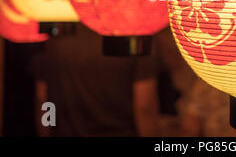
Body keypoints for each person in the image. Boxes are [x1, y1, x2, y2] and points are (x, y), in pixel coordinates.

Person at [31, 23, 160, 137]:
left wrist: (46, 133)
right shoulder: (135, 34)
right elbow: (145, 107)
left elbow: (43, 100)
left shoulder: (56, 37)